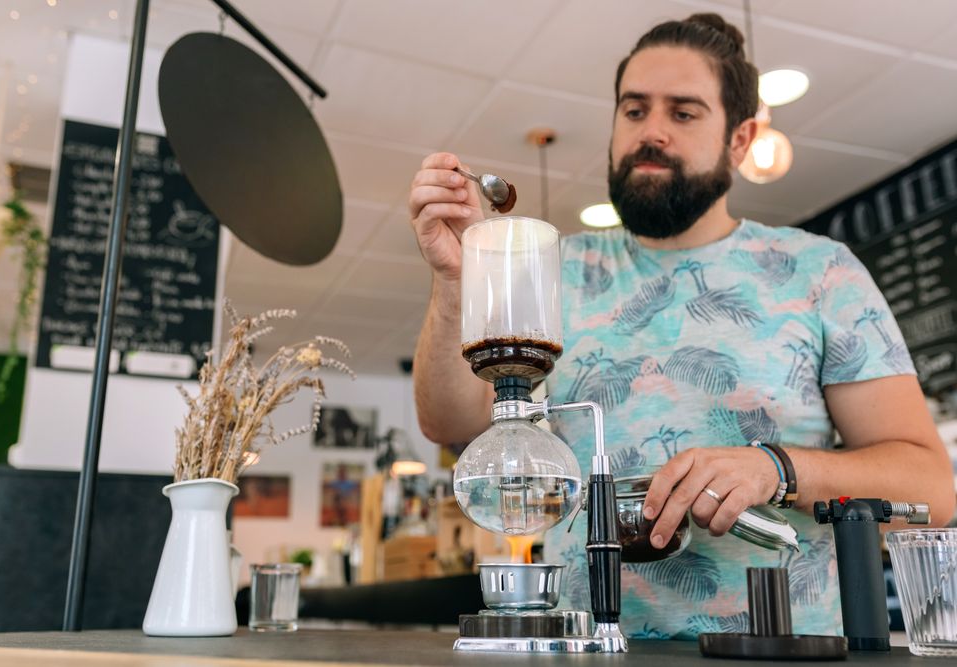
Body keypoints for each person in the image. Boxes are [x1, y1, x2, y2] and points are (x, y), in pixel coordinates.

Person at [407, 12, 955, 639]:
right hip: (583, 648)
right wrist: (456, 280)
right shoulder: (554, 267)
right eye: (634, 111)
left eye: (684, 113)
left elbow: (932, 488)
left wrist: (775, 469)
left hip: (782, 651)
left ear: (741, 139)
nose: (652, 132)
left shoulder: (821, 272)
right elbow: (449, 424)